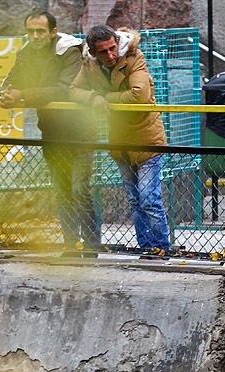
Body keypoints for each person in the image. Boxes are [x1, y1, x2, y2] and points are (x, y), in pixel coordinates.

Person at [0, 10, 99, 257]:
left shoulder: (70, 51)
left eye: (40, 31)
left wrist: (22, 95)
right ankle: (70, 245)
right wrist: (6, 94)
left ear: (53, 32)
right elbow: (13, 80)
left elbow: (64, 90)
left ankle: (92, 245)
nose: (34, 36)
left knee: (79, 189)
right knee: (62, 190)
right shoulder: (27, 53)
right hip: (52, 132)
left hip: (79, 132)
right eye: (30, 31)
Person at [69, 24, 170, 256]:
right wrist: (93, 97)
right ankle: (147, 247)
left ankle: (162, 248)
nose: (110, 55)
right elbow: (74, 90)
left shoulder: (133, 55)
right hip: (119, 138)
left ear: (117, 42)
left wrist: (106, 98)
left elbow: (140, 95)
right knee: (135, 200)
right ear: (93, 52)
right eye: (103, 52)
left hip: (147, 136)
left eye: (113, 48)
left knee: (148, 198)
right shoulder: (90, 64)